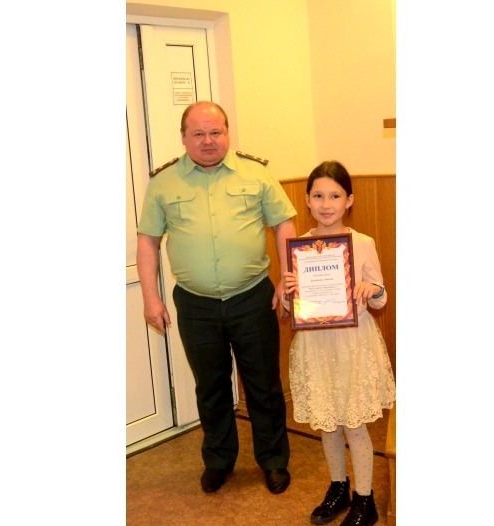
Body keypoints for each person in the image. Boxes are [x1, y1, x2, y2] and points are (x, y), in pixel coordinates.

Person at [136, 101, 297, 495]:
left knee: (263, 385)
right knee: (210, 388)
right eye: (198, 133)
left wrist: (287, 278)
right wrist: (150, 299)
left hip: (252, 297)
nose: (208, 141)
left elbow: (283, 225)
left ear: (227, 133)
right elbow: (148, 242)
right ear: (184, 137)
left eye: (215, 132)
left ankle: (273, 460)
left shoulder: (257, 174)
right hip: (195, 304)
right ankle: (219, 461)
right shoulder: (163, 183)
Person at [282, 161, 396, 525]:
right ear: (307, 200)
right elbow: (291, 309)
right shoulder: (300, 248)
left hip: (351, 346)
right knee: (327, 423)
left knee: (354, 424)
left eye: (335, 196)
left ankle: (365, 499)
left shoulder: (361, 243)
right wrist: (288, 294)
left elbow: (380, 297)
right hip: (315, 347)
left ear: (349, 200)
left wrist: (371, 289)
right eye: (318, 196)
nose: (326, 204)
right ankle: (338, 487)